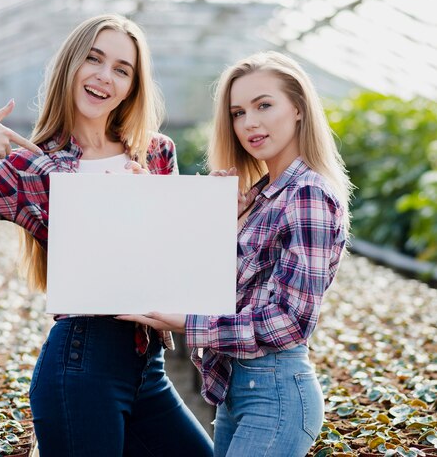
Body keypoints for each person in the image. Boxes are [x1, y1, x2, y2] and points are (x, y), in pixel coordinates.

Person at [0, 14, 213, 456]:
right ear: (70, 66)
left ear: (133, 86)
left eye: (122, 69)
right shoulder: (32, 166)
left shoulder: (155, 153)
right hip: (81, 365)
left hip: (147, 369)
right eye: (93, 60)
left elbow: (175, 263)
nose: (104, 76)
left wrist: (165, 207)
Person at [118, 50, 352, 457]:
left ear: (298, 108)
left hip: (276, 396)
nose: (250, 123)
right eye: (238, 112)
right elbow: (215, 284)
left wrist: (188, 324)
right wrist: (205, 216)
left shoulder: (308, 193)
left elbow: (290, 322)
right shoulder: (262, 195)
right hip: (236, 392)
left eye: (264, 105)